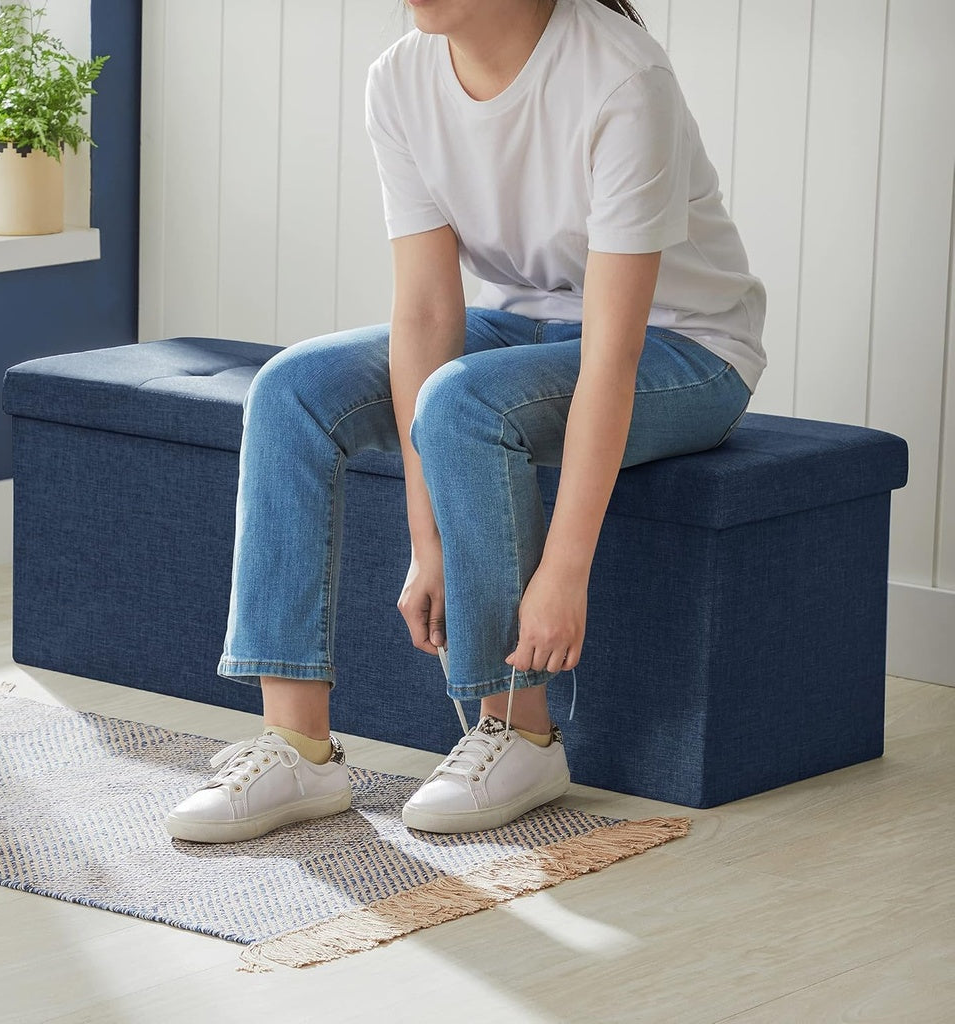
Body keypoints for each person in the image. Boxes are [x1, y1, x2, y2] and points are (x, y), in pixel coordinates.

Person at [165, 0, 766, 843]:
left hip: (685, 349)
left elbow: (610, 358)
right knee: (292, 388)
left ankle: (517, 729)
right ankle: (298, 743)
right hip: (525, 325)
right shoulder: (401, 77)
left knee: (464, 400)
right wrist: (428, 541)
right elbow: (424, 313)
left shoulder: (622, 77)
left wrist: (564, 570)